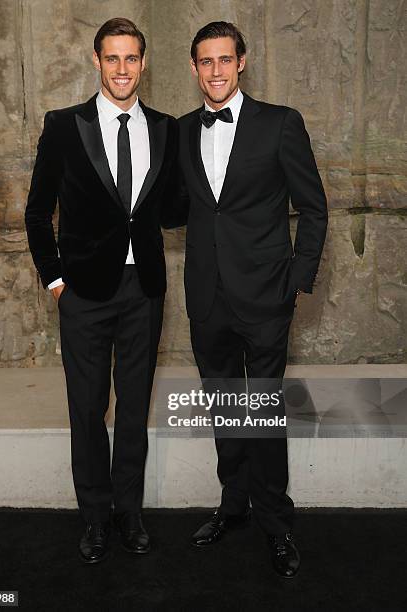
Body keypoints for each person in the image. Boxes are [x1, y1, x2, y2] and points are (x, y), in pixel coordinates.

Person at [168, 21, 328, 578]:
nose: (214, 70)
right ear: (194, 68)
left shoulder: (281, 124)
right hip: (206, 297)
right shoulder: (183, 131)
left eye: (224, 60)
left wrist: (298, 277)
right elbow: (175, 208)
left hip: (265, 297)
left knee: (261, 413)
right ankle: (233, 505)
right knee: (224, 411)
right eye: (204, 62)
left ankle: (277, 525)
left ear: (241, 63)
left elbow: (313, 205)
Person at [25, 17, 178, 564]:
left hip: (145, 290)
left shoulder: (165, 127)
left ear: (143, 62)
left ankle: (128, 514)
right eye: (111, 58)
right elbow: (38, 211)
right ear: (96, 61)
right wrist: (56, 281)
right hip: (84, 292)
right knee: (87, 410)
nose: (122, 68)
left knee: (134, 408)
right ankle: (93, 517)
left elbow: (178, 206)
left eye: (131, 58)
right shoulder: (64, 125)